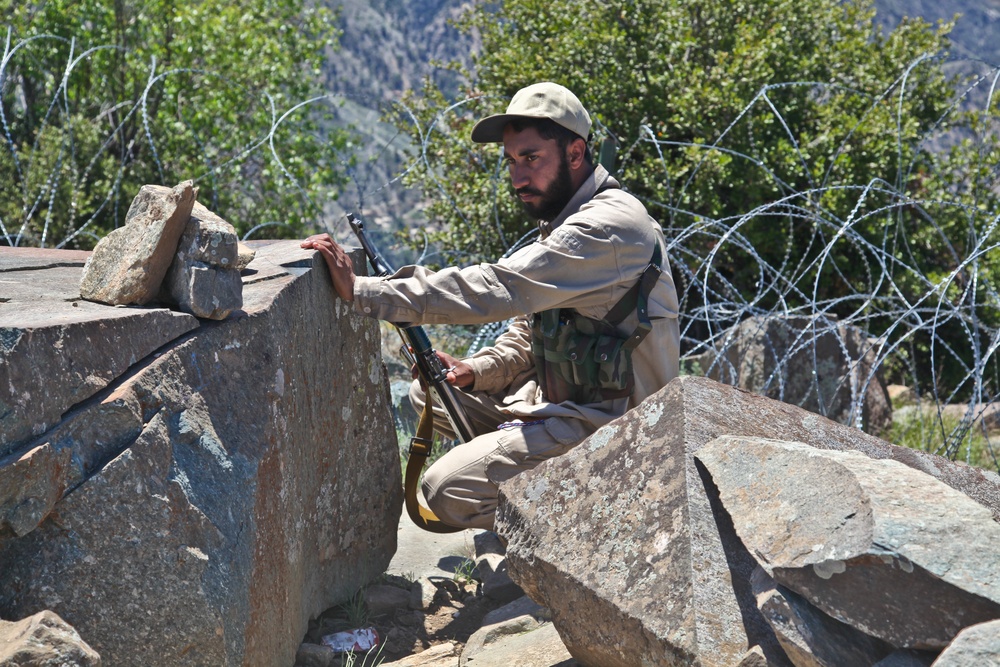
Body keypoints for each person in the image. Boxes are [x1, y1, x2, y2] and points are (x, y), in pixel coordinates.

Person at [302, 82, 679, 530]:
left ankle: (586, 533)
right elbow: (531, 331)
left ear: (576, 153)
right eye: (512, 162)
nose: (518, 178)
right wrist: (476, 371)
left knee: (447, 488)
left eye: (532, 159)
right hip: (560, 406)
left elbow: (495, 288)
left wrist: (365, 290)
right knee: (433, 391)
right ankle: (539, 483)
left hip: (617, 431)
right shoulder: (566, 220)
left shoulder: (605, 228)